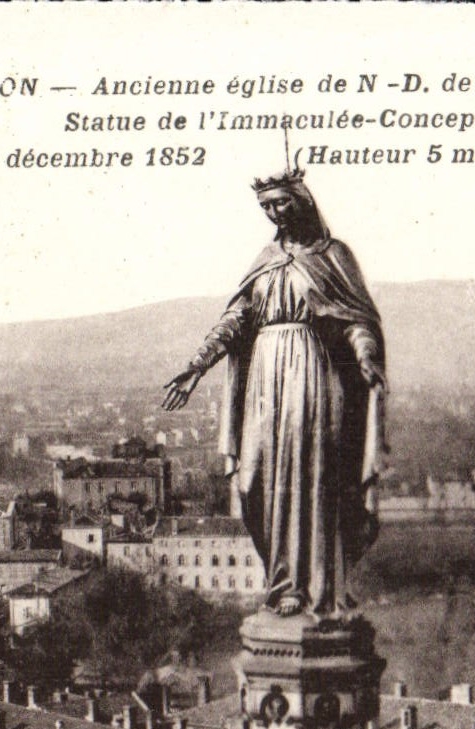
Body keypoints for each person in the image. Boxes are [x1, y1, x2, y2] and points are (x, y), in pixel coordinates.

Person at [163, 170, 386, 617]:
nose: (274, 213)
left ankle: (316, 589)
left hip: (316, 378)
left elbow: (357, 320)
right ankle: (281, 580)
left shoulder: (334, 255)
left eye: (281, 203)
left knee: (316, 479)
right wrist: (197, 365)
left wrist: (365, 355)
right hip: (265, 382)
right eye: (266, 206)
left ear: (301, 201)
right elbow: (236, 320)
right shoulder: (266, 258)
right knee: (256, 483)